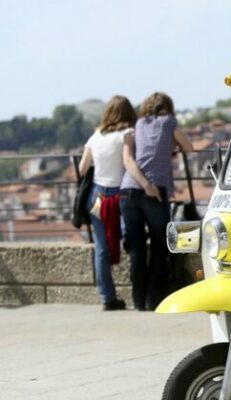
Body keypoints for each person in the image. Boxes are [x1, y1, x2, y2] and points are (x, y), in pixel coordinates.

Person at [120, 92, 192, 311]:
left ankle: (138, 300)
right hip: (154, 190)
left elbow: (133, 156)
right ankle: (155, 298)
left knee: (137, 249)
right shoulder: (169, 122)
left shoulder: (139, 124)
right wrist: (172, 145)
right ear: (168, 107)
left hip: (128, 189)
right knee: (161, 246)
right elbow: (188, 147)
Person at [78, 96, 137, 311]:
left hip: (96, 197)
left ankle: (107, 297)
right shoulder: (127, 134)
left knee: (102, 249)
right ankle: (140, 290)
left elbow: (83, 167)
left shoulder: (95, 136)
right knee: (132, 239)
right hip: (119, 195)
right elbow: (128, 161)